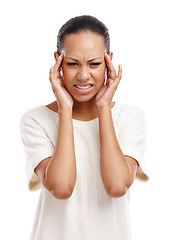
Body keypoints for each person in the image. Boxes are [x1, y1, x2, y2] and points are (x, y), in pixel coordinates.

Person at [20, 15, 148, 240]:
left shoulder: (129, 118)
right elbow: (61, 188)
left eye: (95, 64)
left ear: (108, 60)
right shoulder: (35, 120)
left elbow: (117, 186)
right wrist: (65, 110)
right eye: (72, 64)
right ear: (57, 61)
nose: (83, 75)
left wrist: (104, 108)